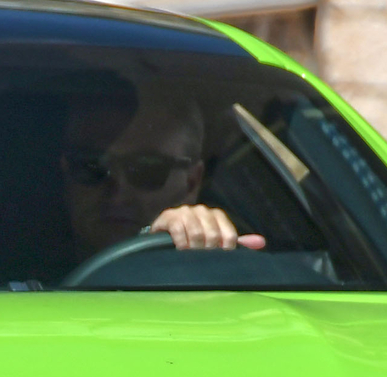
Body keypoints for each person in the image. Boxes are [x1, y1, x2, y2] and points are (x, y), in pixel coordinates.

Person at [60, 89, 265, 260]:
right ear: (66, 170)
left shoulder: (206, 279)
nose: (118, 193)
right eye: (91, 165)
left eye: (147, 169)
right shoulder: (27, 258)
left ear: (192, 183)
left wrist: (208, 244)